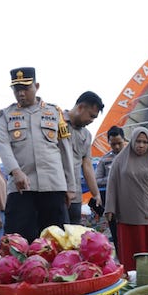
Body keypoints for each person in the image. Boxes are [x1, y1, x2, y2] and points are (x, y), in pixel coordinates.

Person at [0, 67, 75, 242]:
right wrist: (15, 171)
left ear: (36, 86)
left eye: (25, 88)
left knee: (56, 242)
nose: (21, 94)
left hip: (53, 186)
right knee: (18, 242)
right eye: (17, 90)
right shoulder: (5, 115)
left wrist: (70, 186)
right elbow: (2, 144)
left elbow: (65, 150)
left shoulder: (54, 113)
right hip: (21, 188)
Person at [104, 126, 148, 271]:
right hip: (127, 216)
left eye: (145, 142)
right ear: (132, 141)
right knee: (131, 255)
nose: (141, 145)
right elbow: (112, 184)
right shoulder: (120, 161)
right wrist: (110, 208)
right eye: (138, 141)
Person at [63, 91, 104, 224]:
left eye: (94, 118)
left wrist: (95, 193)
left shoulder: (87, 135)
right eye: (91, 116)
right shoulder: (55, 122)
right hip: (56, 192)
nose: (91, 121)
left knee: (73, 237)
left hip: (75, 195)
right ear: (80, 107)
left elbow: (87, 166)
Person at [95, 125, 126, 251]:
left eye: (119, 143)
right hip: (112, 203)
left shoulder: (133, 155)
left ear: (124, 140)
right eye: (113, 144)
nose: (117, 147)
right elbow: (96, 180)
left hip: (131, 202)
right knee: (116, 233)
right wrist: (113, 178)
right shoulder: (104, 160)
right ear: (109, 142)